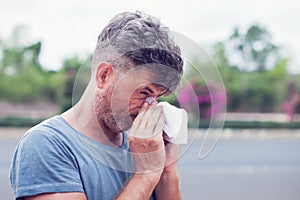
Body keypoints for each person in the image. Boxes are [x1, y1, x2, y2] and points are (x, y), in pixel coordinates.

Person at [10, 11, 184, 200]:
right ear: (104, 76)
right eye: (144, 93)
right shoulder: (45, 144)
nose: (149, 107)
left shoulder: (143, 147)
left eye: (157, 98)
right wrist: (146, 174)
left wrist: (167, 170)